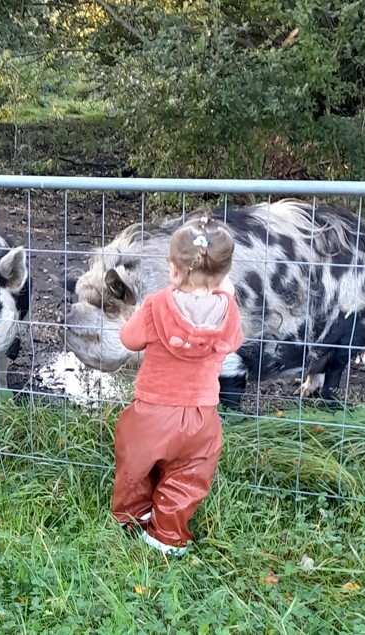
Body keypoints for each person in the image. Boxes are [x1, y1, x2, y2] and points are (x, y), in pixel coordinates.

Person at [111, 215, 244, 556]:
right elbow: (233, 342)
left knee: (134, 464)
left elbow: (128, 339)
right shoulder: (229, 311)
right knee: (188, 476)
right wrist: (225, 296)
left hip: (153, 412)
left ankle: (133, 516)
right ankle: (167, 536)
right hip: (201, 418)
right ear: (225, 275)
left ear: (172, 269)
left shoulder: (157, 305)